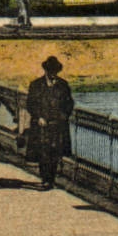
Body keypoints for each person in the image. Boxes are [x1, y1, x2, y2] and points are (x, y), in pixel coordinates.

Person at [20, 56, 73, 191]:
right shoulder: (36, 85)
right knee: (43, 152)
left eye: (55, 72)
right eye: (51, 71)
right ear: (46, 71)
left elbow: (69, 103)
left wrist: (63, 116)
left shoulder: (63, 85)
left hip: (57, 125)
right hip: (41, 125)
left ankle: (51, 179)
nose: (53, 74)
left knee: (55, 152)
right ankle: (45, 179)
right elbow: (31, 104)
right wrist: (38, 117)